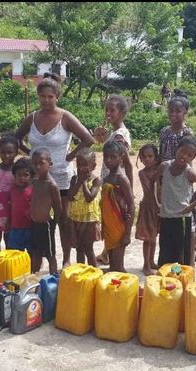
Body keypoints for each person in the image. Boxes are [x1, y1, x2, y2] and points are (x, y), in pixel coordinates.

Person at [16, 72, 95, 268]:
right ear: (38, 97)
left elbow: (88, 139)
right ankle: (41, 257)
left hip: (61, 177)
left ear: (57, 97)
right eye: (42, 96)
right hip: (38, 181)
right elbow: (16, 138)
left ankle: (66, 258)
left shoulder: (65, 117)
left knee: (62, 219)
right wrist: (28, 154)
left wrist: (71, 156)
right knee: (39, 218)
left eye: (50, 96)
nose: (46, 100)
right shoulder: (32, 118)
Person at [157, 135, 196, 268]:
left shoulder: (189, 172)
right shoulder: (164, 167)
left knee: (180, 257)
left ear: (193, 158)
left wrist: (192, 206)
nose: (184, 156)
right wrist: (156, 201)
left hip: (182, 219)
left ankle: (179, 283)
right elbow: (154, 182)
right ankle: (166, 284)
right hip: (166, 217)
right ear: (177, 149)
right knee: (165, 254)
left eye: (189, 155)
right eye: (183, 151)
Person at [92, 94, 133, 265]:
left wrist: (129, 185)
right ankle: (107, 254)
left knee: (114, 217)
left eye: (112, 110)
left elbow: (127, 163)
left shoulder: (120, 136)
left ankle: (112, 256)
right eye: (106, 110)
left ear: (122, 113)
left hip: (115, 185)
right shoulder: (115, 133)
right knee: (109, 217)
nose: (108, 113)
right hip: (110, 182)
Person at [100, 141, 135, 273]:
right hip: (108, 226)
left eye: (113, 157)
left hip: (119, 227)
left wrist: (127, 233)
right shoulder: (107, 177)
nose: (108, 160)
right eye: (106, 156)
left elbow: (131, 205)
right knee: (112, 266)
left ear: (121, 157)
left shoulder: (122, 179)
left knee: (119, 267)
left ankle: (129, 290)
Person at [29, 147, 62, 274]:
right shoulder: (35, 182)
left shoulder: (51, 185)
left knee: (50, 255)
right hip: (34, 224)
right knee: (36, 253)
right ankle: (35, 279)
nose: (37, 167)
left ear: (50, 164)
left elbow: (58, 207)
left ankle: (53, 279)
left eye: (41, 163)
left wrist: (54, 224)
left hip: (46, 225)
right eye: (34, 163)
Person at [67, 148, 102, 266]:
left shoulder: (96, 180)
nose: (81, 168)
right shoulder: (74, 179)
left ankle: (94, 272)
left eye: (85, 165)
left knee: (88, 247)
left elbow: (89, 198)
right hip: (76, 217)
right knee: (79, 248)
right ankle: (81, 271)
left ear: (93, 165)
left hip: (89, 219)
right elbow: (70, 196)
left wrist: (84, 182)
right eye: (79, 165)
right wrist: (78, 182)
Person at [135, 144, 161, 276]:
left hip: (159, 209)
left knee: (154, 237)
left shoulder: (160, 171)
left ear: (156, 158)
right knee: (148, 238)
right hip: (148, 208)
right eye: (144, 157)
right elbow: (150, 188)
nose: (147, 159)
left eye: (150, 156)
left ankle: (151, 261)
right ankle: (145, 265)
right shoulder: (142, 173)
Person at [6, 157, 34, 252]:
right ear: (14, 176)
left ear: (31, 176)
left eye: (26, 175)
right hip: (15, 228)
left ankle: (33, 267)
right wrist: (8, 222)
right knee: (15, 253)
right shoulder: (12, 190)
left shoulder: (33, 190)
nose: (22, 178)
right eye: (19, 175)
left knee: (32, 253)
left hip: (30, 228)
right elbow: (10, 207)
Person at [158, 94, 194, 162]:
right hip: (163, 170)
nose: (173, 114)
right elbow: (161, 154)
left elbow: (188, 158)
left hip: (181, 171)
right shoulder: (164, 131)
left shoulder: (187, 133)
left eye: (178, 111)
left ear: (185, 112)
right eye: (171, 111)